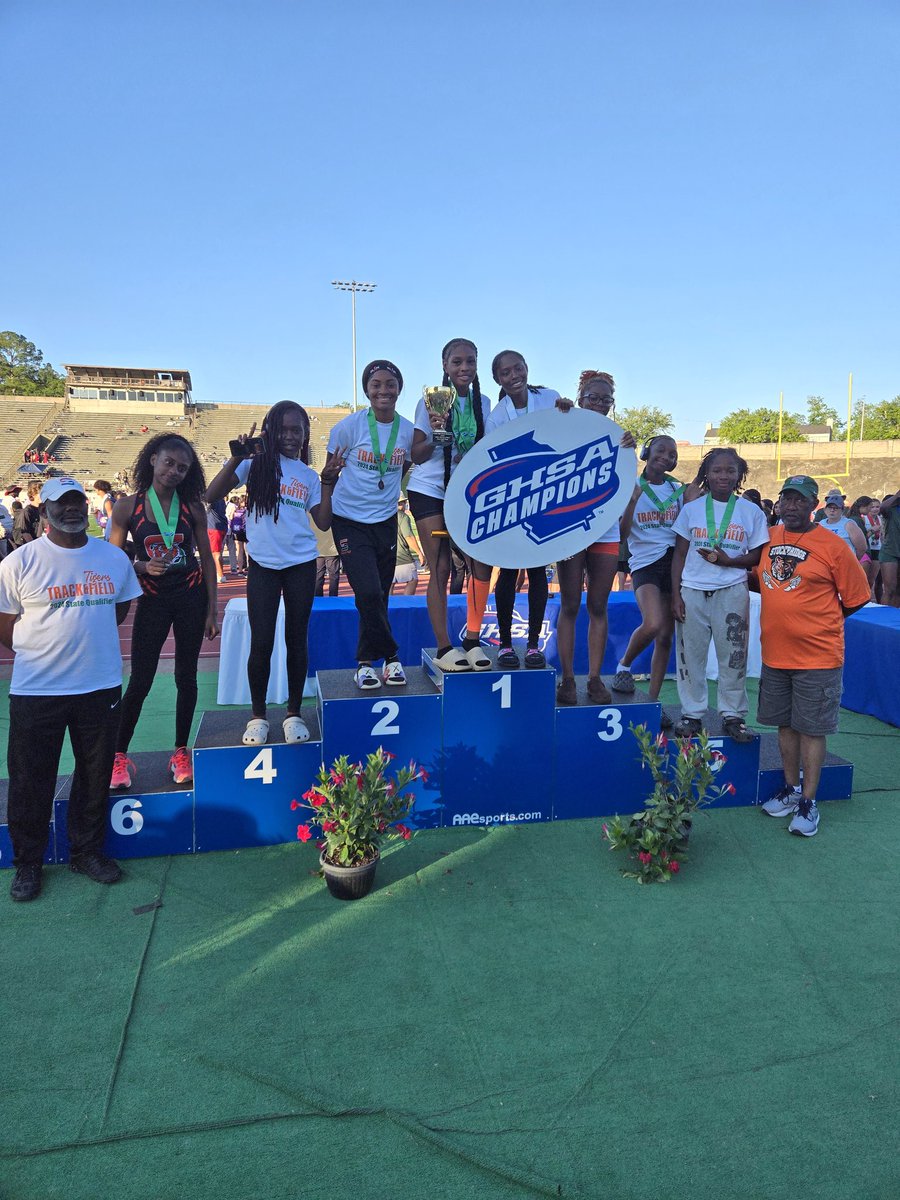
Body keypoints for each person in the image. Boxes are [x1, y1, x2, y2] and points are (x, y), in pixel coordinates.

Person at [0, 478, 142, 901]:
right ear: (44, 511)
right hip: (37, 689)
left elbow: (119, 608)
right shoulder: (19, 563)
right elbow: (5, 626)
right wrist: (42, 653)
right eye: (61, 504)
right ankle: (28, 863)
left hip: (99, 685)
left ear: (87, 506)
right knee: (29, 779)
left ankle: (86, 852)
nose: (72, 510)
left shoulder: (112, 558)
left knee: (95, 774)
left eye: (78, 501)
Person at [205, 401, 339, 744]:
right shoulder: (254, 465)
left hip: (300, 564)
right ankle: (258, 716)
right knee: (261, 642)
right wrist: (237, 455)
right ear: (270, 430)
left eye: (298, 430)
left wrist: (326, 482)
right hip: (264, 565)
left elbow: (322, 521)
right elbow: (212, 494)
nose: (291, 436)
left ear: (306, 434)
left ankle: (293, 713)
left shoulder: (307, 475)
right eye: (284, 429)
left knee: (297, 640)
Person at [756, 476, 870, 836]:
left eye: (799, 500)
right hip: (775, 654)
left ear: (814, 505)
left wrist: (819, 621)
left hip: (818, 656)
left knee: (812, 728)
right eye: (785, 499)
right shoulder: (769, 537)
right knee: (785, 724)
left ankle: (809, 801)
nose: (791, 506)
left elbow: (856, 597)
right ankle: (790, 789)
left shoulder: (833, 545)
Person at [107, 435, 220, 789]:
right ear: (153, 459)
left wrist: (211, 611)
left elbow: (208, 562)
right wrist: (141, 567)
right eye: (169, 462)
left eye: (183, 467)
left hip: (190, 597)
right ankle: (118, 755)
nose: (174, 471)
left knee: (186, 678)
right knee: (140, 680)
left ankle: (181, 751)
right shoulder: (127, 507)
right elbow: (114, 560)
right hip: (153, 600)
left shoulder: (193, 508)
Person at [324, 360, 432, 688]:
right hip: (349, 520)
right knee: (368, 591)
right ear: (366, 390)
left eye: (390, 384)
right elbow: (331, 472)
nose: (383, 390)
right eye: (376, 385)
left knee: (379, 595)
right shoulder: (347, 428)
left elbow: (402, 469)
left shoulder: (407, 430)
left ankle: (366, 663)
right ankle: (393, 656)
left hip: (384, 521)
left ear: (399, 388)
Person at [406, 338, 493, 672]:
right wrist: (437, 434)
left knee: (480, 564)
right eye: (456, 362)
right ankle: (444, 647)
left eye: (470, 361)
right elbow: (416, 454)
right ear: (445, 365)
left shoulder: (483, 403)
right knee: (441, 568)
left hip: (467, 491)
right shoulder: (428, 401)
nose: (464, 368)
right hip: (429, 488)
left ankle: (472, 640)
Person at [670, 446, 769, 741]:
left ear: (739, 475)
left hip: (732, 591)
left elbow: (756, 556)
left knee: (733, 657)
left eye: (730, 470)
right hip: (693, 591)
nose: (723, 475)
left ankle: (733, 715)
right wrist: (675, 595)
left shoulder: (751, 511)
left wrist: (730, 561)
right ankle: (692, 714)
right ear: (706, 475)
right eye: (716, 470)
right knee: (690, 657)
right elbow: (679, 554)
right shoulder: (691, 509)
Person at [555, 371, 637, 706]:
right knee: (571, 604)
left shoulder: (620, 438)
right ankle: (568, 679)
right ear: (580, 397)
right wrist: (558, 413)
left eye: (606, 399)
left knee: (598, 605)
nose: (599, 403)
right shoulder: (564, 422)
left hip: (604, 528)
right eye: (593, 397)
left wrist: (631, 449)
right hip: (570, 527)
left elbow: (626, 479)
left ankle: (594, 679)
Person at [485, 349, 566, 668]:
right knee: (507, 570)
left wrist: (568, 412)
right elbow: (496, 459)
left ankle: (533, 645)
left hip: (545, 496)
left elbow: (566, 432)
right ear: (498, 380)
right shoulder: (496, 417)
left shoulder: (550, 398)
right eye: (505, 372)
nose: (513, 375)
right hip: (513, 497)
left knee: (537, 571)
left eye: (518, 368)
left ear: (527, 368)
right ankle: (505, 645)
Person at [613, 435, 693, 725]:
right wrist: (632, 502)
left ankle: (652, 699)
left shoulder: (678, 489)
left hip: (674, 564)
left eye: (673, 454)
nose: (667, 457)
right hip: (645, 563)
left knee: (665, 637)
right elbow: (621, 535)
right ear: (647, 453)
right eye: (661, 450)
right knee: (653, 623)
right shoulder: (630, 486)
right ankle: (623, 666)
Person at [818, 493, 866, 559]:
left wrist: (851, 561)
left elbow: (862, 548)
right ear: (825, 510)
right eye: (830, 507)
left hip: (844, 563)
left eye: (836, 508)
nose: (832, 510)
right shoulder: (821, 524)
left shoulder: (849, 524)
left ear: (842, 510)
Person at [393, 495, 423, 595]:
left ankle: (388, 607)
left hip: (385, 557)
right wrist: (419, 553)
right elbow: (409, 536)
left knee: (388, 584)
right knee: (413, 579)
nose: (405, 505)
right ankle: (405, 604)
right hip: (402, 557)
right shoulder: (402, 516)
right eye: (403, 503)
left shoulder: (382, 515)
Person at [878, 489, 900, 607]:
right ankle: (884, 617)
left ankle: (896, 617)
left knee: (898, 590)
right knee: (890, 588)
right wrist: (897, 495)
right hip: (889, 551)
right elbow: (882, 508)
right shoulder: (889, 511)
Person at [313, 522, 341, 596]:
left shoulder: (310, 512)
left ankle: (318, 599)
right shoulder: (333, 512)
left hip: (318, 548)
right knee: (334, 576)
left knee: (318, 576)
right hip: (332, 549)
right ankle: (333, 598)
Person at [206, 497, 228, 582]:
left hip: (214, 527)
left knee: (216, 553)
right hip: (222, 526)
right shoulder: (221, 500)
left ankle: (220, 575)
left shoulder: (213, 499)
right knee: (218, 552)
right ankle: (219, 573)